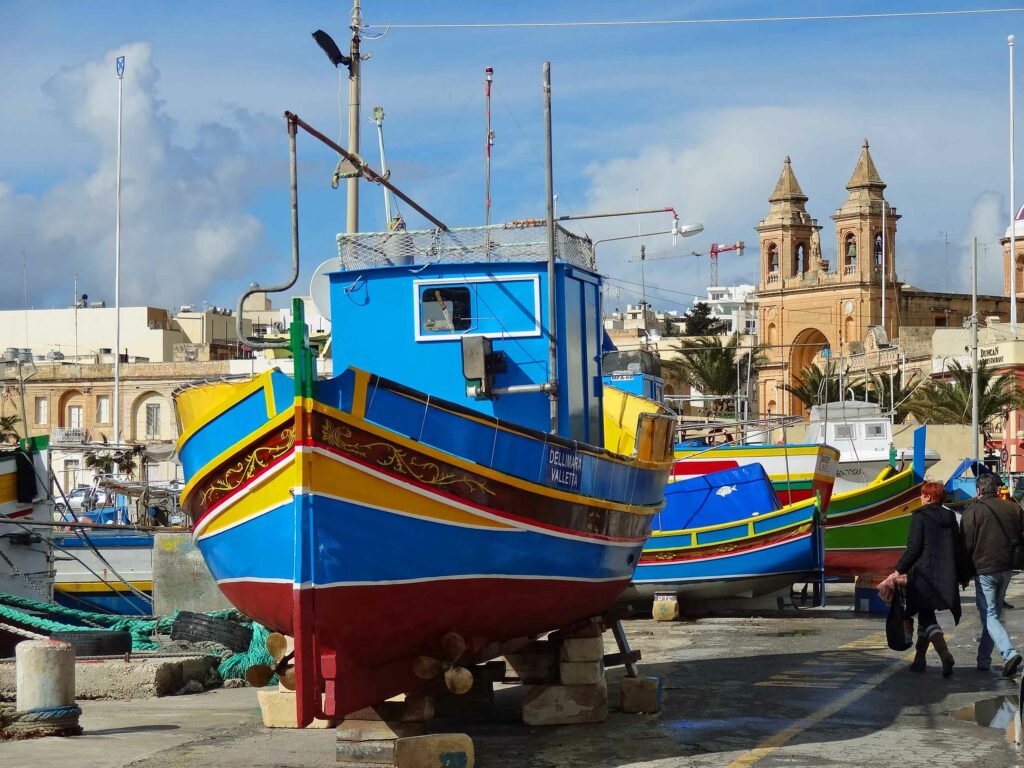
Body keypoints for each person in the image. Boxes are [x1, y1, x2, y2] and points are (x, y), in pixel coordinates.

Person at [886, 481, 966, 676]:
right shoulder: (950, 517)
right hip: (945, 575)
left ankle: (944, 653)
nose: (921, 498)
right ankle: (919, 660)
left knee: (927, 617)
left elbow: (914, 548)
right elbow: (958, 548)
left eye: (922, 495)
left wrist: (898, 570)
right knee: (925, 616)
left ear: (929, 497)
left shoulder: (920, 517)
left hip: (924, 576)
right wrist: (963, 575)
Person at [961, 473, 1024, 676]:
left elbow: (966, 545)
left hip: (984, 569)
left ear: (978, 490)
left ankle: (1009, 653)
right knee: (992, 615)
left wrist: (963, 573)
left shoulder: (973, 512)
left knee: (989, 615)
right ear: (996, 489)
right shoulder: (1015, 508)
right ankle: (983, 660)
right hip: (1007, 568)